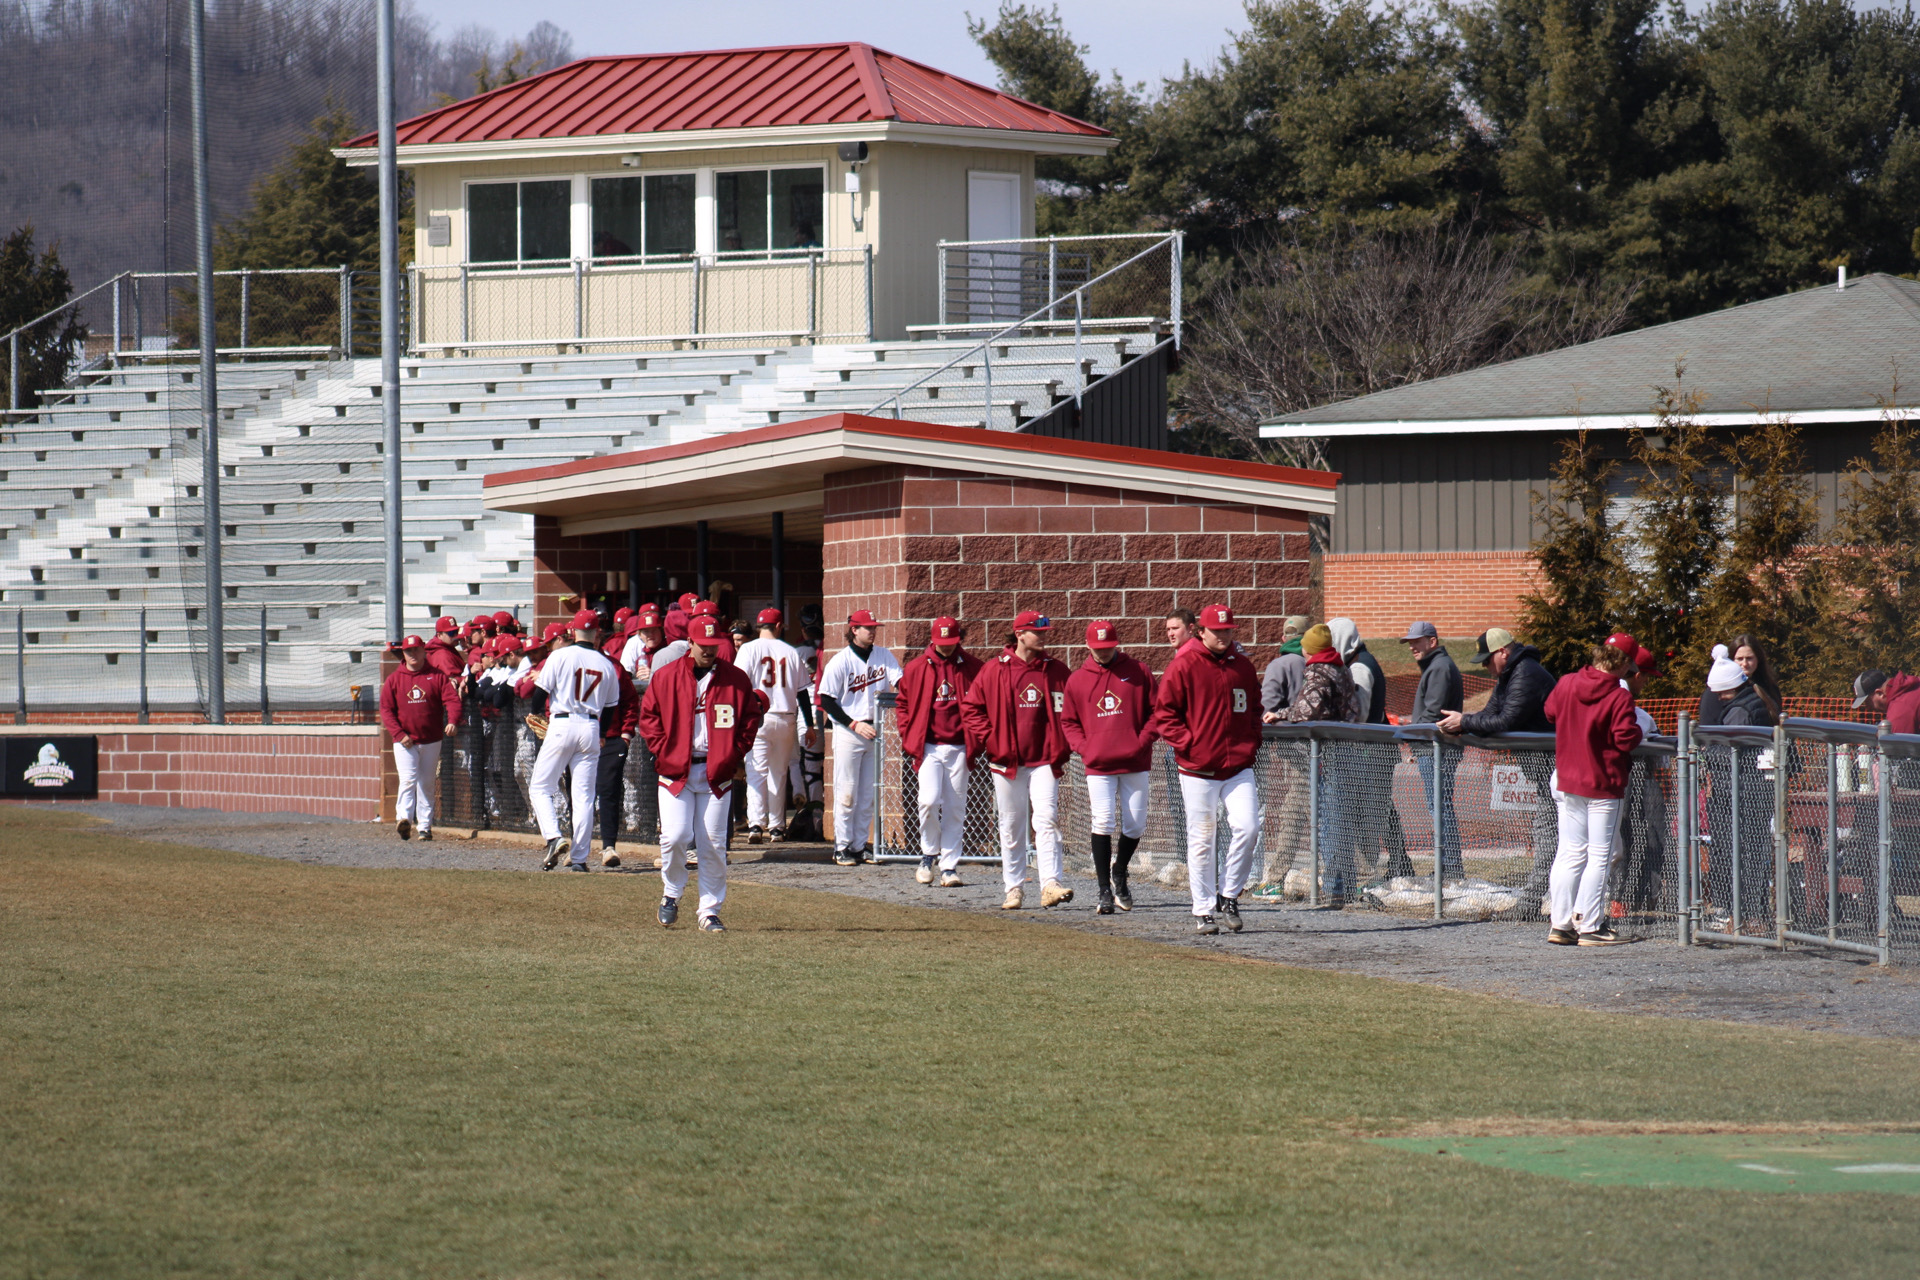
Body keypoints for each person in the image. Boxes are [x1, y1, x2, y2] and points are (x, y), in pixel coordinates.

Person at [639, 614, 768, 932]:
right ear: (690, 643)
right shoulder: (667, 676)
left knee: (713, 844)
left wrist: (735, 753)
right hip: (675, 772)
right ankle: (671, 892)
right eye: (703, 645)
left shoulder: (735, 678)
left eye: (714, 645)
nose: (709, 651)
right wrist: (662, 749)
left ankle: (709, 911)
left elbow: (751, 717)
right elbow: (649, 716)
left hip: (716, 772)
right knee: (675, 837)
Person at [1154, 604, 1264, 934]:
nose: (1223, 635)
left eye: (1228, 630)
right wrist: (1189, 743)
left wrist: (1252, 739)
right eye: (1217, 631)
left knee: (1248, 827)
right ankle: (1203, 909)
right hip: (1198, 767)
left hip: (1237, 765)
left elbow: (1255, 708)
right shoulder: (1184, 665)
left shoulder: (1242, 666)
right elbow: (1164, 715)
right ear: (1201, 631)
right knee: (1203, 837)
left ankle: (1229, 895)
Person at [1439, 627, 1558, 915]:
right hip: (1544, 769)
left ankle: (1534, 904)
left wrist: (1464, 721)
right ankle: (1541, 903)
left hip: (1555, 767)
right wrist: (1464, 722)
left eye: (1487, 660)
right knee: (1549, 832)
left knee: (1550, 833)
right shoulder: (1510, 674)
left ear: (1503, 652)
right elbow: (1490, 713)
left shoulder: (1525, 672)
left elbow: (1505, 720)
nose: (1485, 667)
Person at [961, 610, 1075, 910]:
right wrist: (991, 738)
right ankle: (1013, 888)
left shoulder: (1056, 670)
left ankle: (1050, 883)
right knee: (1011, 826)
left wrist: (1063, 744)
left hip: (1044, 759)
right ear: (1020, 634)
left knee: (1046, 819)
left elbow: (1072, 710)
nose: (1043, 636)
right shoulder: (994, 669)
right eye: (1037, 632)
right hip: (1006, 761)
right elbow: (971, 708)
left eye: (1045, 631)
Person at [1543, 640, 1642, 945]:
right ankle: (1591, 926)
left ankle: (1560, 924)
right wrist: (1641, 731)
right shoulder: (1618, 694)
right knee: (1599, 855)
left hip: (1570, 779)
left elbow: (1549, 712)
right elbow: (1626, 737)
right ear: (1623, 663)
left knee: (1571, 852)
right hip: (1603, 782)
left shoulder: (1567, 682)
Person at [1062, 620, 1157, 914]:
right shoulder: (1078, 680)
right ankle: (1104, 889)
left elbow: (1157, 712)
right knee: (1102, 821)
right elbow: (1069, 722)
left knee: (1136, 824)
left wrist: (1141, 742)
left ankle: (1120, 870)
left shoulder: (1138, 671)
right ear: (1087, 646)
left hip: (1134, 760)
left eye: (1109, 647)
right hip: (1099, 762)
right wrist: (1085, 747)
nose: (1103, 653)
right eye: (1098, 648)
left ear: (1117, 644)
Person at [530, 609, 622, 872]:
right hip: (592, 726)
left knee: (540, 786)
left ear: (572, 632)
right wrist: (603, 733)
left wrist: (535, 712)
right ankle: (580, 859)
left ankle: (553, 836)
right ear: (597, 633)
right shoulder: (606, 663)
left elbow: (540, 695)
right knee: (583, 796)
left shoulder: (560, 655)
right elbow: (612, 706)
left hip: (563, 721)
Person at [1281, 622, 1366, 902]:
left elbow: (1306, 710)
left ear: (1309, 649)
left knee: (1329, 822)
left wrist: (1281, 715)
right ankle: (1343, 885)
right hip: (1345, 751)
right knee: (1339, 822)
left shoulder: (1318, 671)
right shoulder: (1340, 667)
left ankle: (1334, 889)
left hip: (1328, 754)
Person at [895, 616, 981, 888]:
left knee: (956, 807)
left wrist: (978, 738)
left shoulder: (973, 667)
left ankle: (949, 866)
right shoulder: (916, 667)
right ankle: (928, 853)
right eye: (942, 643)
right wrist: (908, 735)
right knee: (929, 801)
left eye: (952, 642)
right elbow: (903, 704)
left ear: (960, 639)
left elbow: (984, 704)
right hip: (929, 745)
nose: (946, 647)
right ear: (932, 640)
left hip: (960, 744)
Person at [816, 609, 903, 864]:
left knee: (867, 794)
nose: (873, 631)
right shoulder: (840, 661)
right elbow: (827, 701)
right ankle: (841, 847)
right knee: (847, 792)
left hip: (874, 730)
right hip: (848, 731)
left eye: (874, 627)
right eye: (868, 627)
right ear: (854, 630)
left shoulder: (883, 655)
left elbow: (900, 682)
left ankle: (859, 845)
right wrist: (853, 724)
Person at [735, 608, 813, 843]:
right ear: (779, 625)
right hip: (785, 717)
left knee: (755, 772)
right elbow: (802, 694)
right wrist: (809, 724)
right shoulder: (790, 651)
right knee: (778, 774)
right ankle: (777, 827)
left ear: (759, 627)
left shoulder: (748, 649)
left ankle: (757, 825)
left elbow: (738, 686)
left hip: (757, 717)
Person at [378, 635, 462, 842]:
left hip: (431, 739)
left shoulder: (437, 676)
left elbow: (452, 699)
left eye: (416, 650)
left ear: (424, 651)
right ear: (404, 654)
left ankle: (424, 826)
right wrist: (399, 734)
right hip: (405, 741)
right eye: (409, 651)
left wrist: (452, 720)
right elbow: (386, 711)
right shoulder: (394, 680)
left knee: (426, 783)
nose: (413, 654)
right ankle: (404, 819)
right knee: (407, 779)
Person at [1405, 621, 1464, 882]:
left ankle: (1450, 866)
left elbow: (1434, 712)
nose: (1412, 646)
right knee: (1437, 804)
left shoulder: (1439, 667)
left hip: (1439, 748)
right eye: (1410, 642)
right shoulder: (1436, 665)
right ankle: (1447, 864)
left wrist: (1411, 734)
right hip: (1432, 747)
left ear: (1432, 641)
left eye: (1417, 641)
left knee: (1439, 805)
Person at [591, 649, 642, 869]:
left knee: (609, 790)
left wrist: (626, 734)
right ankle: (577, 846)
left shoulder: (614, 666)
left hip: (611, 738)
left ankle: (609, 845)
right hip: (581, 734)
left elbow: (630, 701)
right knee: (579, 791)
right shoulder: (568, 660)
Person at [1260, 615, 1310, 718]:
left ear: (1283, 638)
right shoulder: (1323, 663)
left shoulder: (1278, 666)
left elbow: (1267, 706)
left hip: (1288, 730)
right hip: (1322, 730)